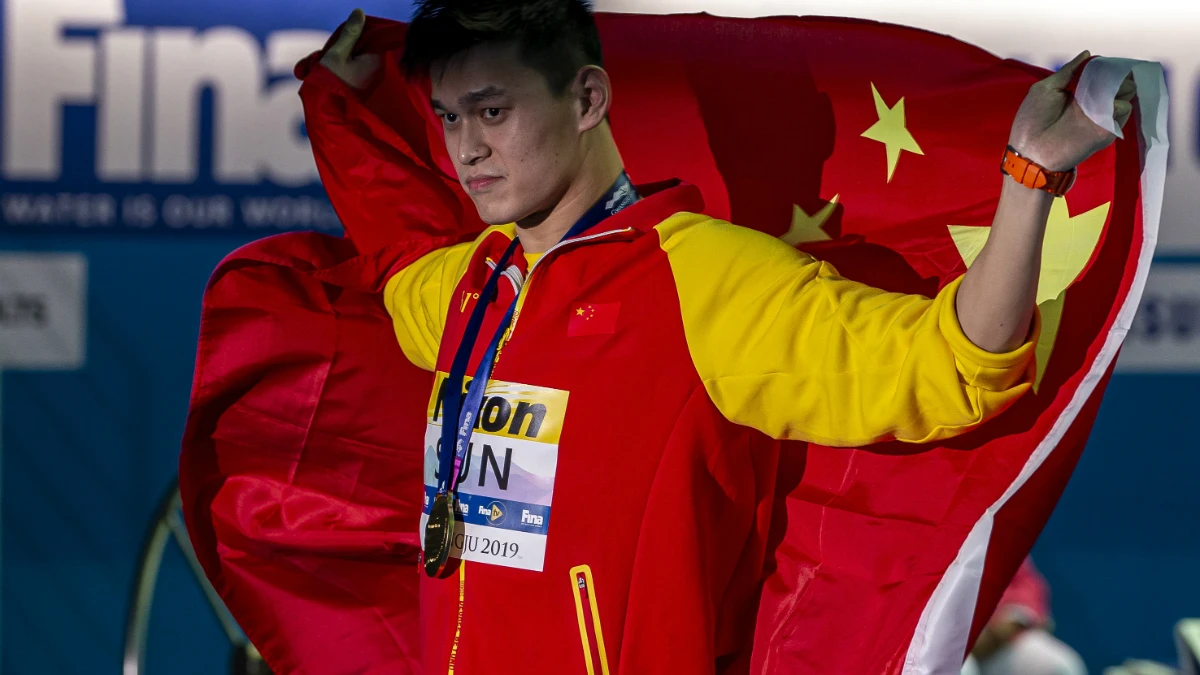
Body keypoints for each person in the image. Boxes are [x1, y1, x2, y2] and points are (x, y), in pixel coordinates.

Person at [304, 1, 1135, 671]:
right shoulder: (470, 289)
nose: (466, 150)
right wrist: (338, 108)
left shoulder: (701, 282)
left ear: (588, 99)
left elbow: (949, 368)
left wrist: (1028, 178)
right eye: (449, 117)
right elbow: (397, 248)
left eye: (493, 111)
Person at [963, 558, 1087, 675]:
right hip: (953, 643)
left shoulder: (999, 538)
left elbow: (1025, 582)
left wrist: (1014, 618)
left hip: (1002, 641)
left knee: (1058, 666)